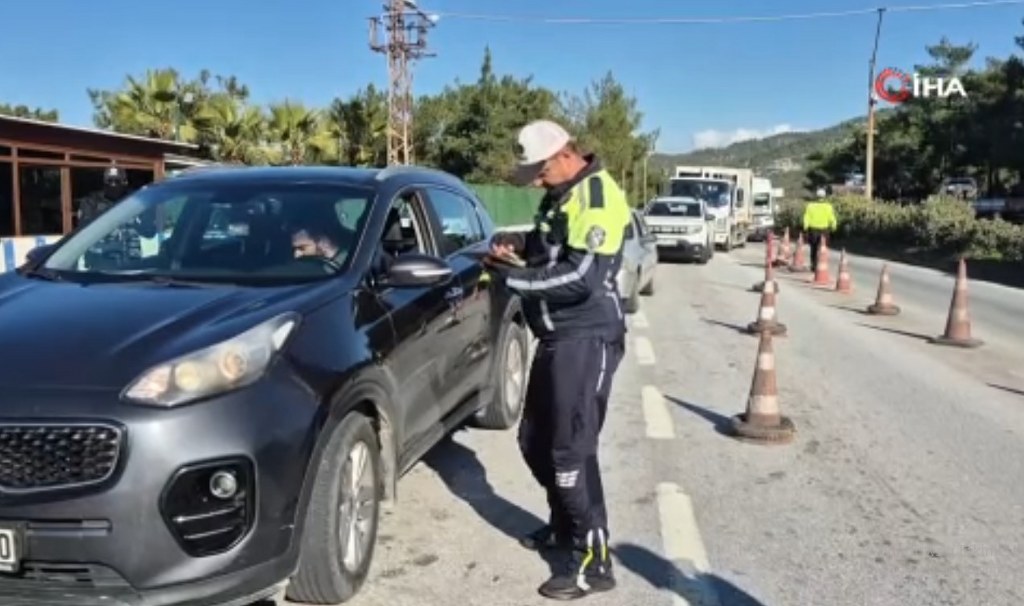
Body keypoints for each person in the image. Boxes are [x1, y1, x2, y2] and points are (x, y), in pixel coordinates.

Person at [482, 119, 631, 600]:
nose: (536, 182)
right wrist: (516, 244)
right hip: (554, 338)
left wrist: (512, 280)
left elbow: (580, 278)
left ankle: (593, 559)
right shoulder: (561, 195)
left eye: (539, 172)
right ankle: (566, 524)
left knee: (571, 451)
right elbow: (548, 244)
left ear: (562, 156)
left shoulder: (599, 198)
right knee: (533, 441)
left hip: (587, 337)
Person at [802, 186, 838, 271]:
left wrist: (805, 228)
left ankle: (814, 265)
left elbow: (806, 218)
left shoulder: (810, 206)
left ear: (816, 196)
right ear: (824, 197)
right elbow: (832, 219)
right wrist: (834, 227)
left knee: (813, 248)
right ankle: (822, 264)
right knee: (823, 248)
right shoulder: (828, 207)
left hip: (813, 230)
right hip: (824, 231)